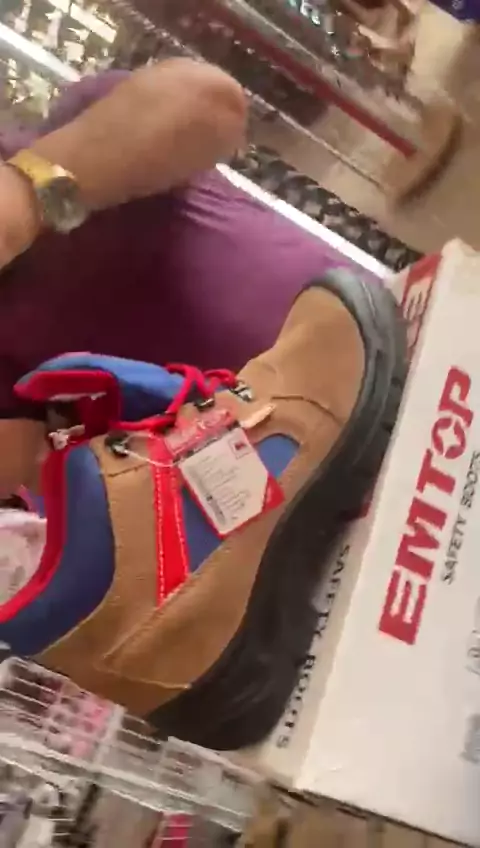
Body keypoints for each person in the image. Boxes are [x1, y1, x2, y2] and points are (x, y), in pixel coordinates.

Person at [0, 58, 373, 498]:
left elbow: (211, 103)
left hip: (375, 350)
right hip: (287, 479)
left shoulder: (71, 128)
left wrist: (25, 195)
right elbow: (24, 466)